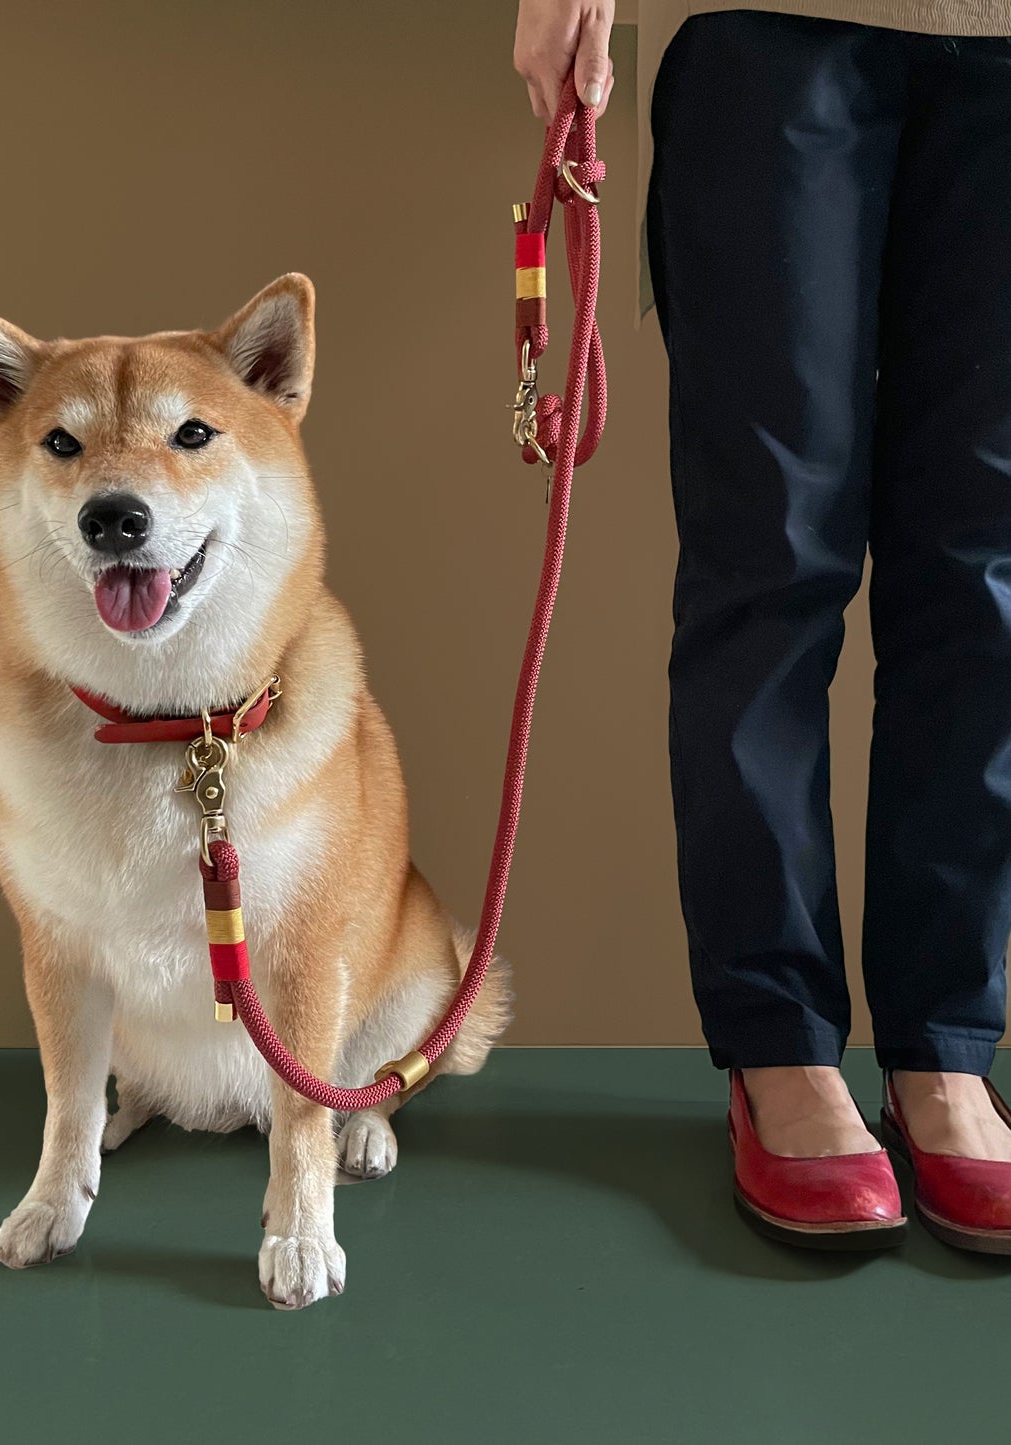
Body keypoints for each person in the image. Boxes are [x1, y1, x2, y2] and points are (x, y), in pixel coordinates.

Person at [515, 0, 1011, 1252]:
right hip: (768, 30)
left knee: (983, 572)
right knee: (769, 560)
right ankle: (779, 1046)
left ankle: (942, 1046)